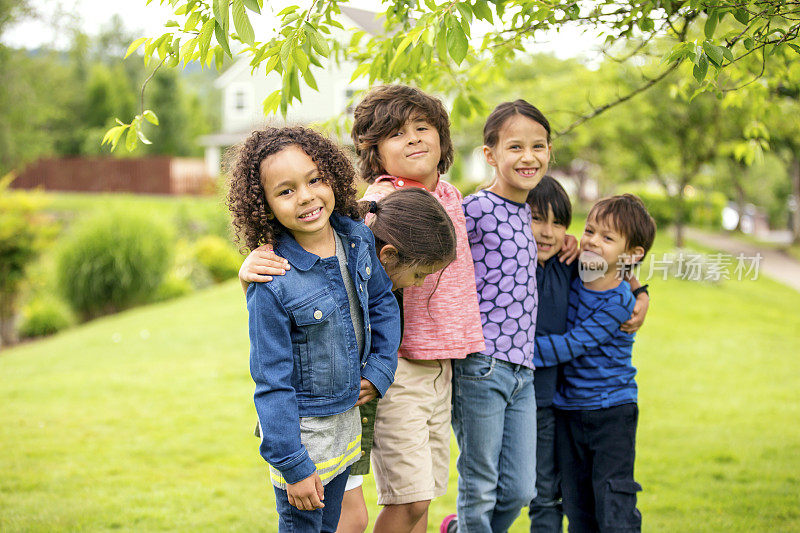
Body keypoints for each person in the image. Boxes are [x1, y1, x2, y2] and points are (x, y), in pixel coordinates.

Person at [227, 126, 402, 533]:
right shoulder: (271, 280)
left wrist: (379, 370)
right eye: (285, 191)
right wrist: (292, 465)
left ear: (333, 177)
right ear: (264, 205)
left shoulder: (355, 238)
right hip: (304, 441)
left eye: (315, 179)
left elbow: (383, 303)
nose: (306, 197)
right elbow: (271, 381)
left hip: (345, 427)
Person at [443, 99, 556, 533]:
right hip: (481, 366)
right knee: (481, 485)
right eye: (515, 147)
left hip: (523, 372)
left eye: (538, 146)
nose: (528, 157)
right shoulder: (475, 209)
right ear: (490, 154)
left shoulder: (528, 214)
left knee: (520, 490)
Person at [525, 178, 650, 533]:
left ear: (630, 254)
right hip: (568, 410)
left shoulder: (619, 302)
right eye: (591, 230)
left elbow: (572, 344)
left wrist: (517, 350)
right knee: (576, 502)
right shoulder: (577, 269)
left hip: (610, 411)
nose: (592, 241)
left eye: (607, 238)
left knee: (613, 501)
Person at [336, 188, 458, 533]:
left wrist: (376, 373)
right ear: (388, 255)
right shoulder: (341, 266)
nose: (418, 285)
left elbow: (388, 331)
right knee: (352, 514)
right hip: (321, 409)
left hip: (353, 401)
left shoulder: (382, 295)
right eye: (418, 275)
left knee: (416, 500)